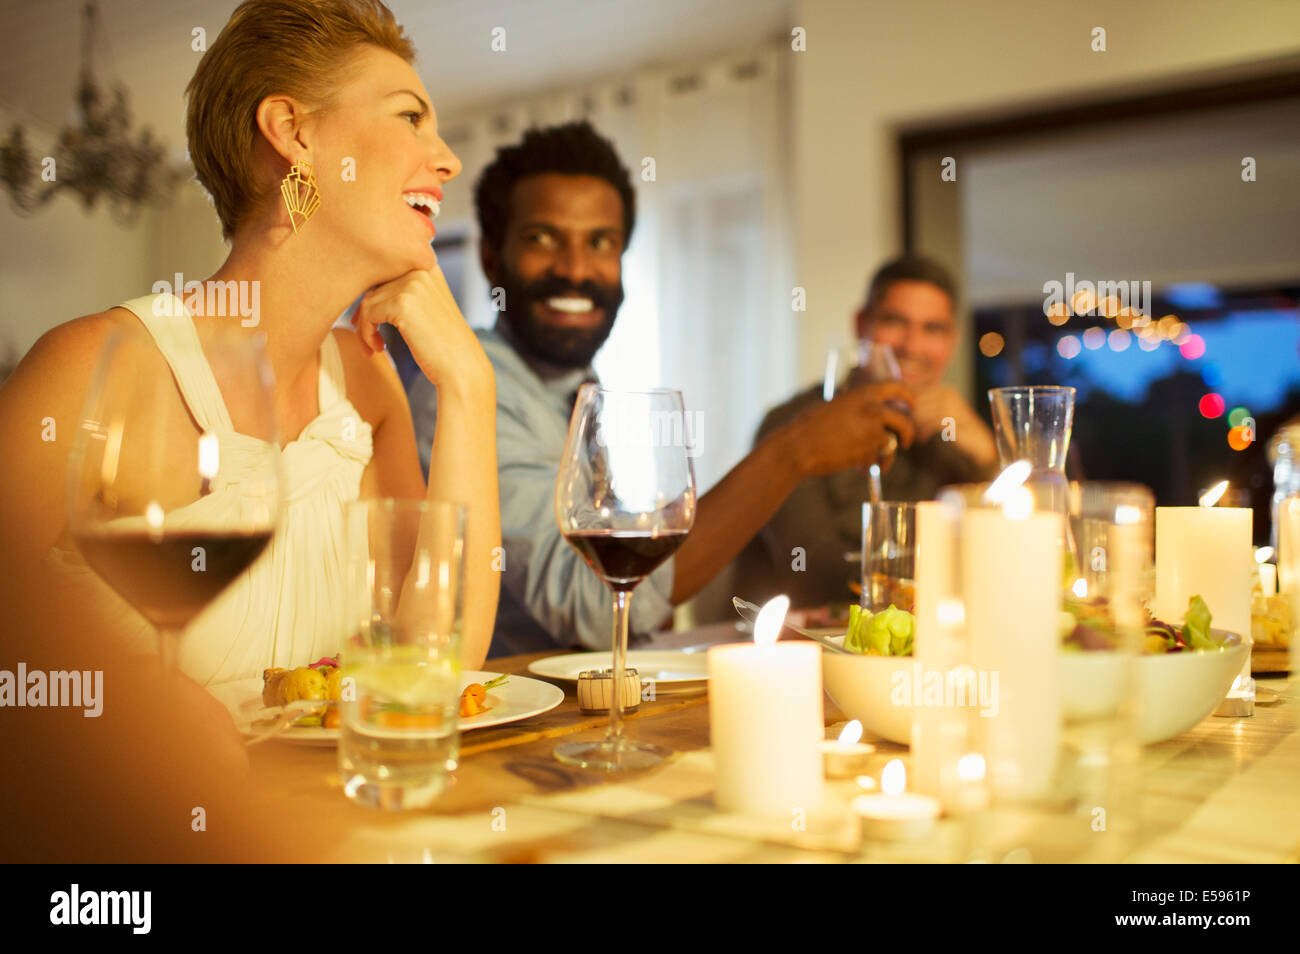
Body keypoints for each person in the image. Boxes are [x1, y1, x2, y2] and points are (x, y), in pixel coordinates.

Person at [0, 0, 501, 682]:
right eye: (411, 117)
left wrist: (471, 390)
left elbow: (434, 670)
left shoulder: (365, 384)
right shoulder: (87, 369)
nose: (446, 161)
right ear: (293, 132)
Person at [408, 121, 914, 655]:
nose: (576, 269)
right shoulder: (463, 384)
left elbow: (637, 608)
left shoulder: (578, 388)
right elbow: (597, 608)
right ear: (492, 257)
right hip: (508, 719)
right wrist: (794, 452)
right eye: (542, 238)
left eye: (601, 242)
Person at [739, 255, 1000, 607]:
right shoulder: (791, 427)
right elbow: (814, 573)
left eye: (932, 328)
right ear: (861, 324)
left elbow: (1007, 552)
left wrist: (987, 455)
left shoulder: (958, 437)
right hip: (804, 645)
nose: (911, 345)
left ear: (952, 340)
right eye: (894, 322)